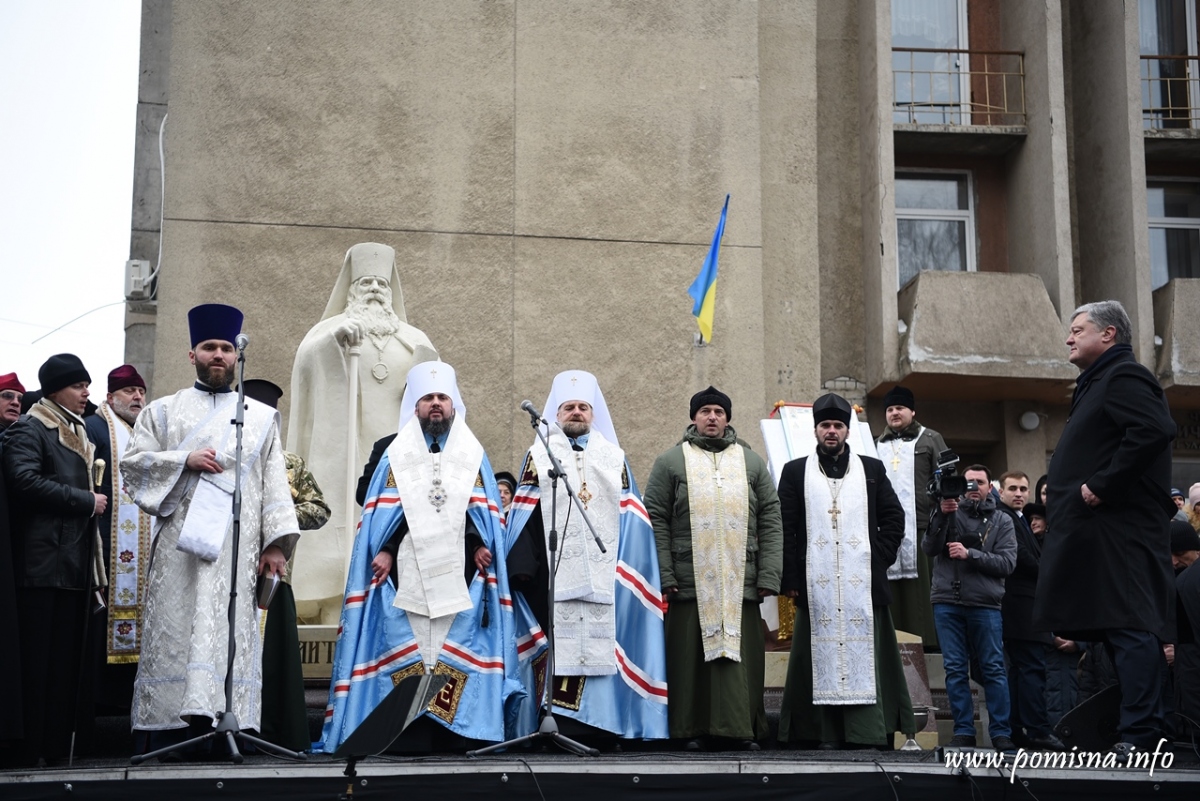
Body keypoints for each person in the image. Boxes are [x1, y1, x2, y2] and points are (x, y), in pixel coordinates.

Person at [121, 304, 299, 747]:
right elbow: (132, 467)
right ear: (192, 355)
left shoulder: (259, 418)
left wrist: (276, 546)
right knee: (180, 627)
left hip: (236, 552)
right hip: (179, 552)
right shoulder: (162, 412)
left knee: (227, 627)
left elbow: (274, 479)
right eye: (208, 348)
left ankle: (226, 725)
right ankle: (171, 731)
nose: (217, 355)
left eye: (225, 348)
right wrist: (185, 460)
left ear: (236, 356)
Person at [319, 361, 518, 753]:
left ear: (454, 404)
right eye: (428, 398)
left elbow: (477, 508)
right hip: (405, 570)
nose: (436, 404)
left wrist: (480, 544)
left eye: (442, 397)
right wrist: (388, 551)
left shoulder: (471, 453)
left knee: (447, 645)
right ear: (416, 405)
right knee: (410, 643)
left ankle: (454, 730)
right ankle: (404, 729)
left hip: (461, 571)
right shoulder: (393, 451)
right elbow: (383, 507)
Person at [1034, 300, 1176, 761]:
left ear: (1109, 334)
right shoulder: (1097, 381)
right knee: (1117, 629)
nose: (1069, 337)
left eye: (1078, 329)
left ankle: (1143, 733)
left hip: (1122, 531)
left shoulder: (1125, 376)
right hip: (1101, 533)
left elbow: (1154, 429)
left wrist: (1101, 484)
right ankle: (1135, 727)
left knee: (1131, 626)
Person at [505, 370, 668, 741]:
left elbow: (634, 519)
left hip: (606, 575)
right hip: (552, 577)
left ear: (593, 414)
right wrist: (524, 569)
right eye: (568, 407)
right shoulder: (539, 455)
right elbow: (524, 515)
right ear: (556, 414)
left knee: (603, 644)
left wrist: (631, 570)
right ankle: (556, 725)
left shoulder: (614, 457)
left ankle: (603, 727)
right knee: (558, 645)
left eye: (582, 407)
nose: (576, 413)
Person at [287, 242, 438, 624]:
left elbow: (435, 387)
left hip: (396, 453)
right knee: (344, 522)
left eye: (380, 284)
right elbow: (307, 363)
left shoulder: (413, 338)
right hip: (344, 448)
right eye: (366, 283)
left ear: (391, 292)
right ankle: (335, 603)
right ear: (351, 290)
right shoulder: (328, 331)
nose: (374, 289)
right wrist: (333, 344)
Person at [643, 386, 782, 750]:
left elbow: (770, 517)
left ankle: (741, 730)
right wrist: (665, 573)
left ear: (728, 418)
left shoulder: (750, 462)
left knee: (740, 660)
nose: (712, 417)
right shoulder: (671, 461)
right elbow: (654, 519)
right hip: (689, 582)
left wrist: (768, 575)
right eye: (704, 411)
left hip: (741, 580)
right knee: (691, 661)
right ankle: (691, 730)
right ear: (693, 417)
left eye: (719, 412)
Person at [777, 393, 915, 750]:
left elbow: (894, 518)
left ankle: (869, 732)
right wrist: (791, 579)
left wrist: (875, 559)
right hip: (816, 584)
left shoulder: (871, 469)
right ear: (816, 430)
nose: (832, 431)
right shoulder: (795, 472)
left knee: (869, 659)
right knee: (816, 658)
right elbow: (785, 528)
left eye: (838, 425)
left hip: (863, 587)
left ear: (848, 431)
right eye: (825, 425)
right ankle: (820, 733)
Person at [4, 354, 105, 765]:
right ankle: (30, 752)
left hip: (73, 566)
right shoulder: (32, 427)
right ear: (56, 388)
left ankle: (55, 747)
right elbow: (23, 480)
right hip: (41, 566)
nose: (86, 393)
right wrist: (86, 501)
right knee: (37, 666)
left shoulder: (75, 430)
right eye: (79, 384)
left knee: (64, 665)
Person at [241, 378, 331, 751]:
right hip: (228, 571)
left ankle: (277, 732)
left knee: (274, 659)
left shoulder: (290, 463)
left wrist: (277, 517)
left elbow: (320, 509)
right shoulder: (227, 453)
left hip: (274, 578)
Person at [924, 464, 1018, 752]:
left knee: (993, 668)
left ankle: (1001, 734)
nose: (973, 487)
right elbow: (929, 548)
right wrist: (942, 514)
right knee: (954, 669)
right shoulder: (947, 512)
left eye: (980, 482)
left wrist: (970, 554)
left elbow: (1007, 563)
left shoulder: (1002, 520)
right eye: (968, 482)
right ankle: (963, 732)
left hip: (985, 604)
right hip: (946, 602)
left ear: (991, 487)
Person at [82, 365, 151, 715]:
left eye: (140, 391)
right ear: (110, 398)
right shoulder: (95, 428)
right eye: (129, 391)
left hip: (140, 555)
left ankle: (127, 697)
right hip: (106, 548)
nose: (137, 396)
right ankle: (102, 701)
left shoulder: (141, 433)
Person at [874, 385, 947, 649]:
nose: (894, 413)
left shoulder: (930, 439)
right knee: (889, 588)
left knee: (921, 589)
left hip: (921, 527)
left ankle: (928, 643)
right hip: (885, 530)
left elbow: (947, 478)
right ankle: (891, 642)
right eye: (890, 409)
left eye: (900, 408)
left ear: (912, 411)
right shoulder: (875, 445)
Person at [995, 471, 1063, 750]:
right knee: (1031, 668)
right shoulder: (1006, 518)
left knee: (1021, 671)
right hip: (1020, 606)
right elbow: (1022, 558)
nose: (1020, 493)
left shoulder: (1018, 518)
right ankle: (1036, 729)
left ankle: (1018, 728)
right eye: (1013, 488)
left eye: (1024, 488)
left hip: (1023, 606)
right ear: (1001, 492)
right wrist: (1053, 571)